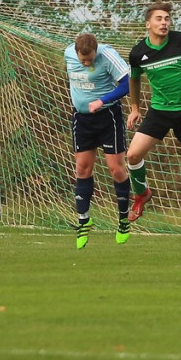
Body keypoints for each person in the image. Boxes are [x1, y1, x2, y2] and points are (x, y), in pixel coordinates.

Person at [125, 2, 181, 244]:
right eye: (159, 19)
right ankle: (142, 194)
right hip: (160, 111)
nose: (164, 23)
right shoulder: (138, 53)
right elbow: (135, 80)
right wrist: (134, 108)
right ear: (148, 24)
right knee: (132, 155)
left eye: (167, 19)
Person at [64, 32, 132, 249]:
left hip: (107, 117)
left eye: (90, 59)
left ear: (96, 51)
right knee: (82, 169)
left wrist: (102, 101)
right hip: (82, 119)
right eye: (82, 59)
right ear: (76, 52)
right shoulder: (68, 53)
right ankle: (84, 221)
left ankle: (123, 220)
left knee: (116, 169)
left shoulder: (108, 55)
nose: (86, 62)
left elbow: (126, 85)